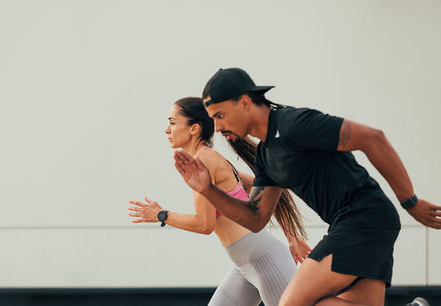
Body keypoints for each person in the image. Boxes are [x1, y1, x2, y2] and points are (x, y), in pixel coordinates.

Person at [173, 68, 441, 306]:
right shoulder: (267, 156)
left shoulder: (294, 124)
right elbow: (255, 218)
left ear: (244, 103)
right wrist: (209, 190)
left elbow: (373, 138)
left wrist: (411, 201)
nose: (217, 127)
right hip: (354, 223)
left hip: (364, 219)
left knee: (292, 303)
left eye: (220, 115)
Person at [128, 97, 311, 306]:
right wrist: (292, 237)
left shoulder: (204, 161)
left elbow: (205, 225)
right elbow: (270, 185)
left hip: (264, 260)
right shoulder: (209, 159)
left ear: (193, 129)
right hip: (245, 265)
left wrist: (162, 215)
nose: (167, 130)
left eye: (172, 122)